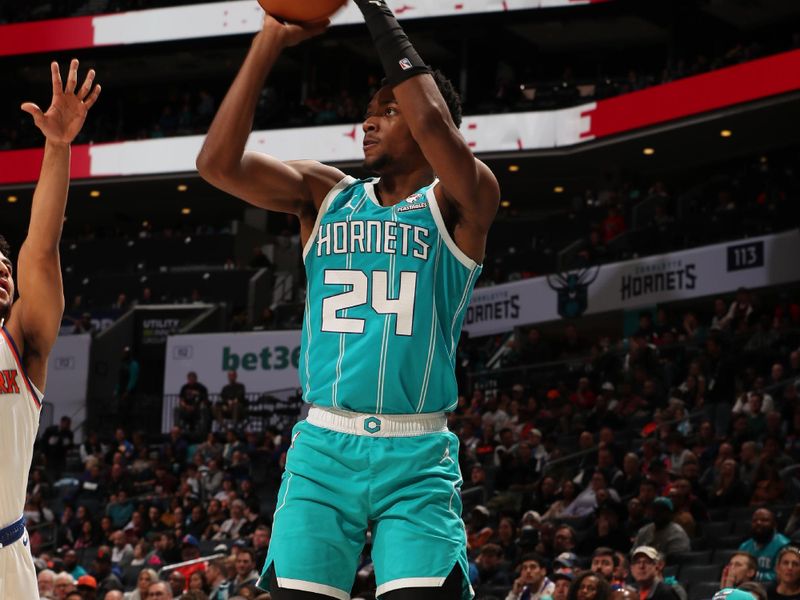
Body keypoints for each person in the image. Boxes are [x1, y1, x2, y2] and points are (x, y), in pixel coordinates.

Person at [196, 0, 499, 598]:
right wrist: (268, 41)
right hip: (322, 449)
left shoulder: (463, 200)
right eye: (368, 113)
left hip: (415, 453)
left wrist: (374, 8)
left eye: (388, 111)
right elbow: (216, 164)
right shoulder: (325, 194)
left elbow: (437, 127)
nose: (369, 123)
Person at [0, 58, 100, 600]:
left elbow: (40, 248)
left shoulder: (20, 342)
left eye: (2, 260)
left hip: (4, 558)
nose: (1, 267)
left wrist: (57, 147)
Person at [740, 508, 790, 582]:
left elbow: (784, 575)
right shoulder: (744, 546)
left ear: (774, 525)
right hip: (748, 589)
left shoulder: (784, 546)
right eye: (755, 520)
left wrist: (754, 575)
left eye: (764, 520)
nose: (758, 523)